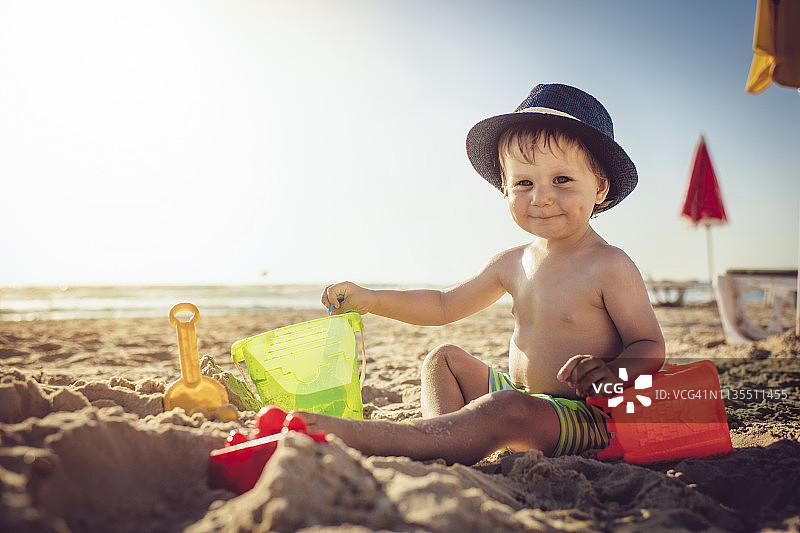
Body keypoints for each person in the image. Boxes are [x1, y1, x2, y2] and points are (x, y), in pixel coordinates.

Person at [304, 83, 665, 465]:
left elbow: (649, 346)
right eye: (524, 183)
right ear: (505, 190)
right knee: (442, 360)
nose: (541, 197)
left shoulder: (609, 264)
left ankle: (432, 439)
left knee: (505, 408)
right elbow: (443, 305)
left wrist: (611, 374)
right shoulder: (511, 262)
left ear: (600, 188)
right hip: (521, 399)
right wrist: (373, 300)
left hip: (585, 415)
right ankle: (443, 436)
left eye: (562, 180)